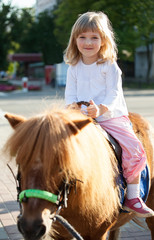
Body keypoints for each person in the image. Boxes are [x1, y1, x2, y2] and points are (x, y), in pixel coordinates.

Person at [64, 11, 154, 218]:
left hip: (110, 117)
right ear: (75, 39)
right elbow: (70, 94)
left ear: (103, 41)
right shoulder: (73, 67)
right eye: (83, 37)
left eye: (94, 37)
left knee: (134, 148)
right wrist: (73, 107)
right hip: (82, 118)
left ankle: (133, 197)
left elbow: (113, 93)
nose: (88, 42)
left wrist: (101, 109)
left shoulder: (109, 65)